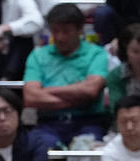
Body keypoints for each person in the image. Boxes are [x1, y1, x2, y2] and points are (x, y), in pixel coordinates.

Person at [22, 3, 109, 149]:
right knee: (41, 148)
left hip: (88, 122)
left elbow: (90, 90)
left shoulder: (97, 54)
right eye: (55, 31)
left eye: (66, 31)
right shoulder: (38, 55)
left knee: (87, 150)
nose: (59, 37)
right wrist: (81, 99)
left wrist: (46, 91)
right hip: (48, 124)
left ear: (80, 30)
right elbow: (31, 97)